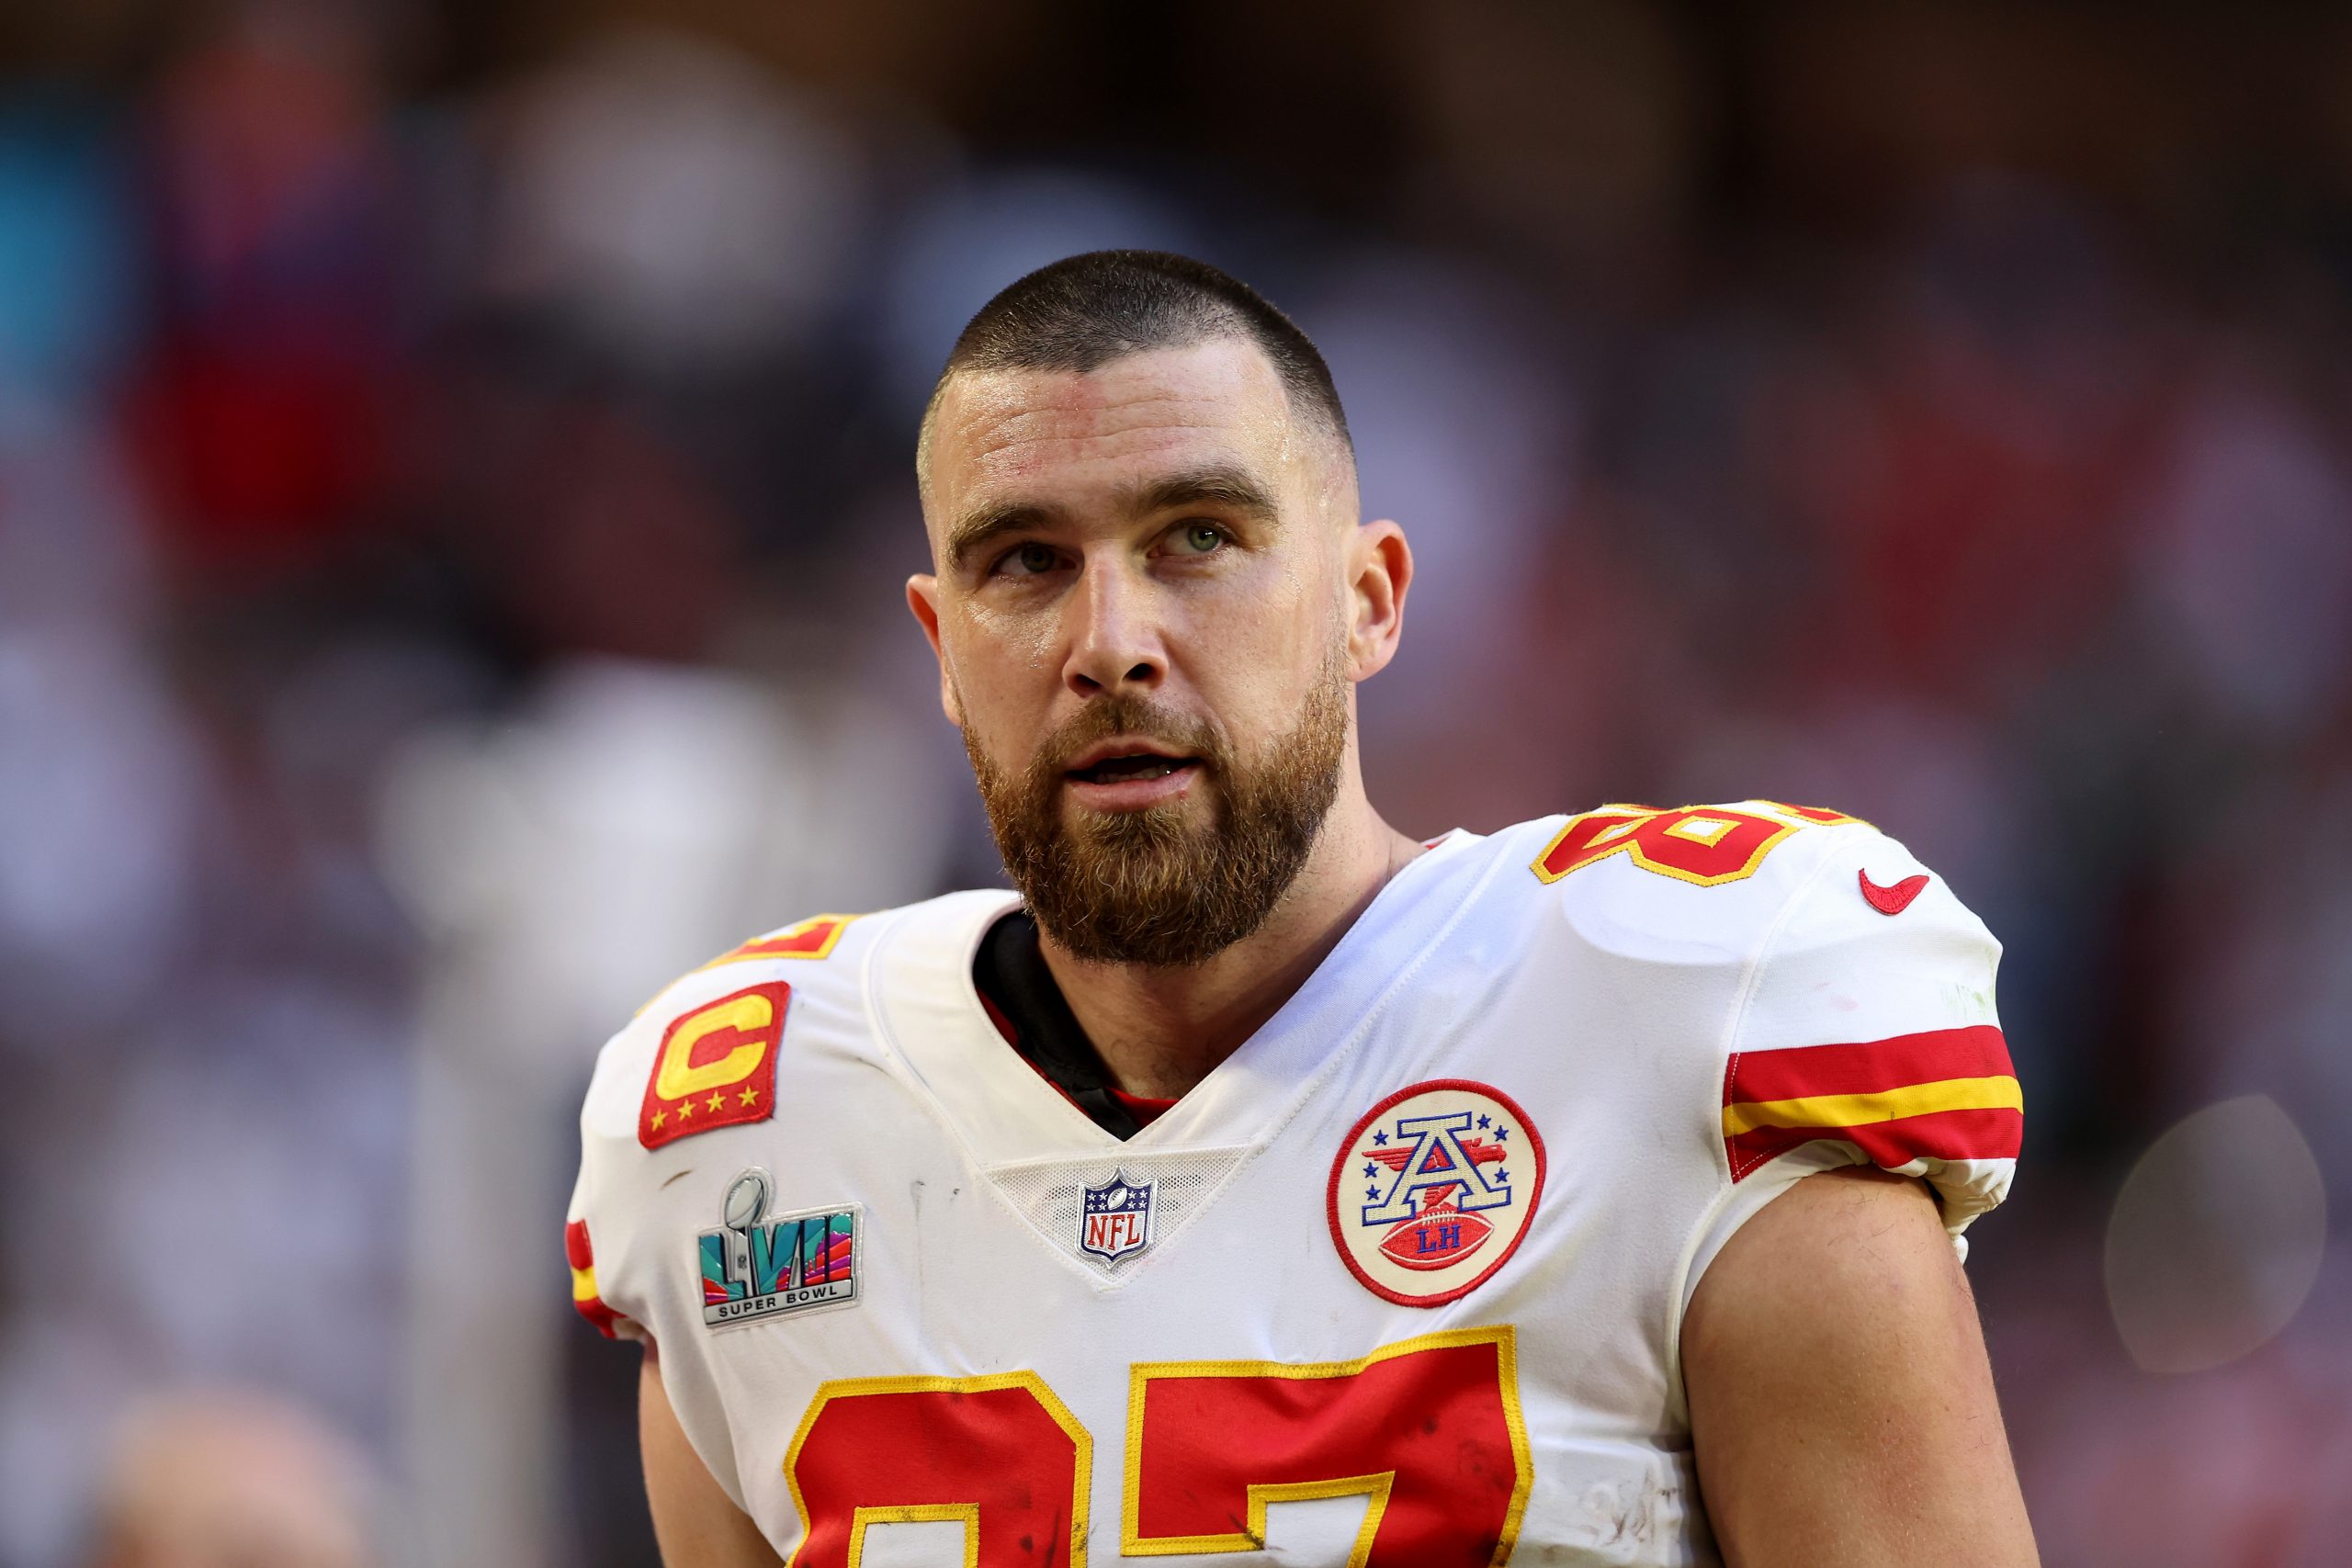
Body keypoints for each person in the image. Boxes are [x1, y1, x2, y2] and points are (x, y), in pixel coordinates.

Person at [564, 251, 2038, 1567]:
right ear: (943, 650)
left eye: (1198, 537)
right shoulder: (746, 1134)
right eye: (1028, 562)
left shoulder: (1686, 1016)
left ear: (1368, 602)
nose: (1113, 643)